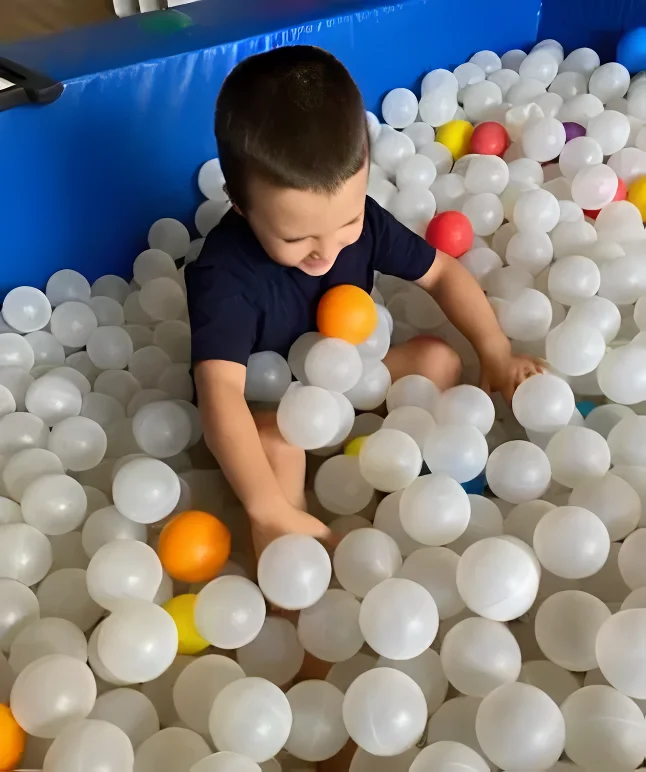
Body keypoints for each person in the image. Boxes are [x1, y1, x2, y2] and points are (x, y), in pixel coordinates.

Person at [185, 45, 541, 559]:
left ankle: (397, 496)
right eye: (297, 239)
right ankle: (293, 589)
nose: (327, 252)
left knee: (438, 361)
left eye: (345, 223)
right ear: (240, 206)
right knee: (278, 447)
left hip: (347, 381)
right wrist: (269, 508)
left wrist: (495, 348)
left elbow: (442, 272)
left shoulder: (366, 222)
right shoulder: (224, 274)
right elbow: (220, 397)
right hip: (265, 414)